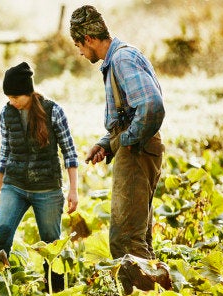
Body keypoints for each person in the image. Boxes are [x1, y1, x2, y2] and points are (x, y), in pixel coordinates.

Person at [69, 5, 165, 260]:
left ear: (88, 39)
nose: (79, 52)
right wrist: (107, 144)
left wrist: (126, 140)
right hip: (138, 148)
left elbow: (151, 106)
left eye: (78, 44)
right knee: (137, 236)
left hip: (137, 152)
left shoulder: (122, 59)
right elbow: (130, 113)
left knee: (126, 240)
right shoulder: (120, 58)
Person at [0, 62, 79, 292]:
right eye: (9, 96)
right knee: (2, 235)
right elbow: (4, 153)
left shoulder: (53, 111)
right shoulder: (6, 113)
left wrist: (73, 189)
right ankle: (1, 290)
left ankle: (54, 294)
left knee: (51, 243)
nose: (12, 101)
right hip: (15, 185)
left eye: (16, 96)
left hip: (46, 189)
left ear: (28, 91)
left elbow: (69, 152)